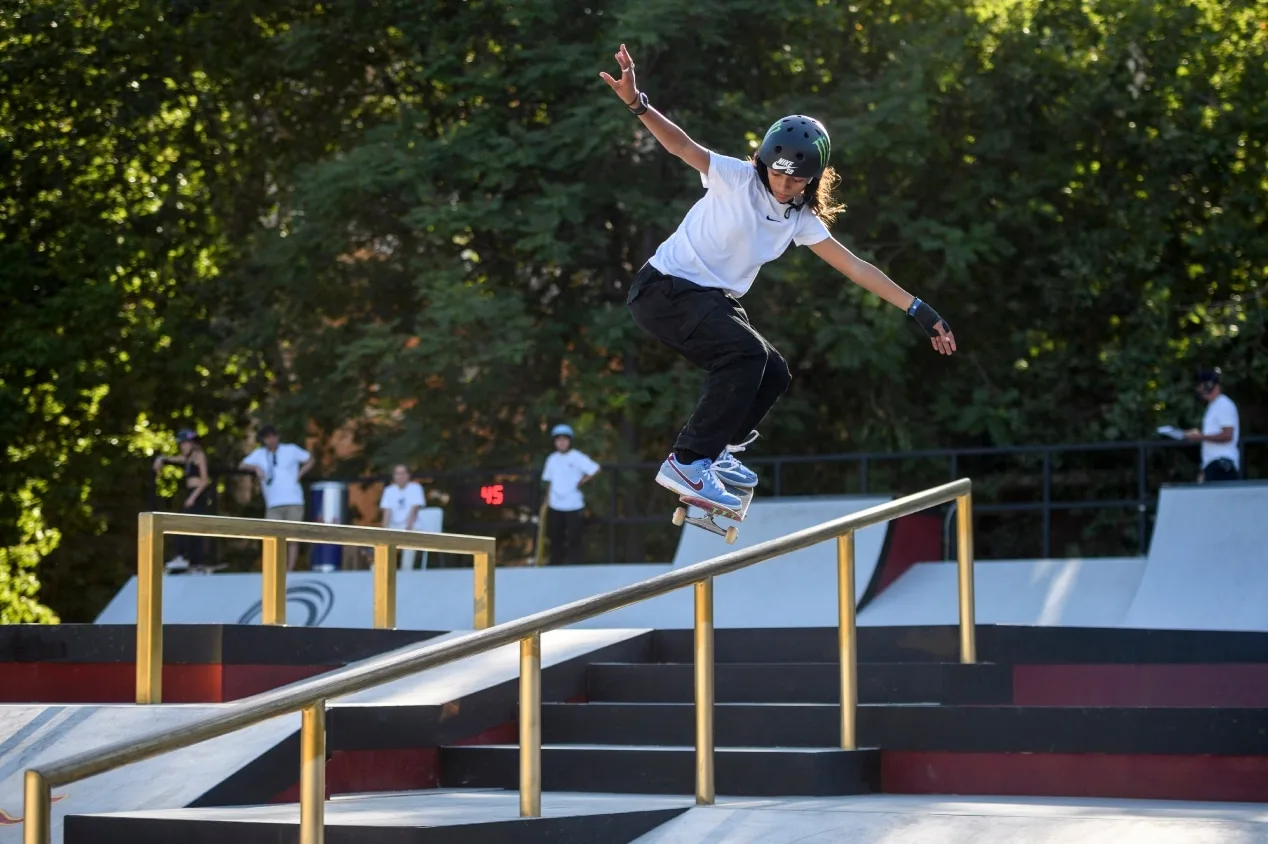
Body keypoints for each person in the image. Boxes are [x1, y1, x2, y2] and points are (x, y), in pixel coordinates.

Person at [600, 45, 958, 513]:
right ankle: (687, 461)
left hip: (709, 298)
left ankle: (716, 452)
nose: (782, 184)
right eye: (776, 173)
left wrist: (919, 309)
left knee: (773, 371)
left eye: (795, 180)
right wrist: (637, 103)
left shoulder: (800, 219)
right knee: (744, 355)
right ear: (764, 161)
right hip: (664, 289)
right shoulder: (735, 178)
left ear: (812, 180)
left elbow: (855, 266)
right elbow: (681, 145)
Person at [239, 425, 314, 570]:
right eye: (267, 437)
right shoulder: (259, 454)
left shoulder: (290, 449)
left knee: (292, 537)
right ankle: (273, 568)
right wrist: (255, 468)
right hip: (273, 503)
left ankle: (289, 568)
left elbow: (310, 459)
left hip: (293, 500)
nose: (271, 440)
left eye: (272, 436)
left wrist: (300, 474)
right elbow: (242, 465)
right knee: (272, 537)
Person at [152, 429, 212, 571]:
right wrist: (161, 458)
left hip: (198, 495)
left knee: (184, 524)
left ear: (191, 443)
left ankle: (183, 557)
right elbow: (176, 458)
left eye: (184, 443)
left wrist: (192, 498)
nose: (182, 446)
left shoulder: (199, 456)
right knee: (192, 526)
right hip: (192, 494)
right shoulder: (188, 458)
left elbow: (204, 480)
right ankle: (194, 561)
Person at [541, 424, 600, 565]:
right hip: (555, 505)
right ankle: (554, 566)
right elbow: (549, 481)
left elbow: (595, 468)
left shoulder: (577, 457)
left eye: (564, 439)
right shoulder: (551, 459)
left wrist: (582, 481)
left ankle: (575, 566)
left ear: (569, 441)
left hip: (573, 504)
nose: (561, 442)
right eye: (558, 440)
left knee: (575, 538)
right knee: (555, 538)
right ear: (555, 442)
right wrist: (546, 501)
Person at [1185, 367, 1241, 482]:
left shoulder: (1224, 404)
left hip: (1222, 464)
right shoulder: (1213, 406)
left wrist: (1201, 437)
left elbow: (1227, 435)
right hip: (1212, 464)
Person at [379, 464, 427, 569]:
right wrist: (384, 530)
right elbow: (387, 511)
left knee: (410, 538)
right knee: (383, 540)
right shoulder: (389, 490)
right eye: (397, 473)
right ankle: (385, 569)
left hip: (411, 525)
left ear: (408, 475)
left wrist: (408, 526)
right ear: (394, 476)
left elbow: (414, 509)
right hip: (394, 526)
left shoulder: (415, 488)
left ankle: (406, 569)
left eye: (403, 473)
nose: (400, 476)